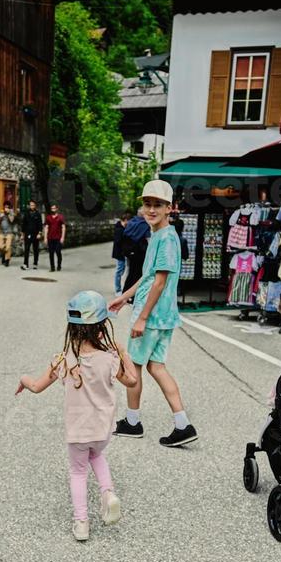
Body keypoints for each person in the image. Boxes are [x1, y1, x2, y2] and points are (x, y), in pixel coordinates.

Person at [17, 290, 139, 541]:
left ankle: (82, 522)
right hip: (103, 429)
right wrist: (123, 352)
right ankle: (107, 492)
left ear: (72, 329)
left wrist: (23, 379)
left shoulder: (64, 360)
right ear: (101, 328)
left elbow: (37, 386)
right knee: (97, 454)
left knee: (78, 471)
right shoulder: (109, 358)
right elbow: (132, 380)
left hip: (78, 431)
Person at [109, 179, 197, 447]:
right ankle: (183, 425)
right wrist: (123, 298)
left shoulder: (167, 239)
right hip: (162, 316)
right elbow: (147, 277)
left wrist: (142, 317)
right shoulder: (158, 236)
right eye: (147, 204)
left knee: (132, 367)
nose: (151, 209)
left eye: (157, 205)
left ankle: (133, 423)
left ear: (170, 208)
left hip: (153, 316)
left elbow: (159, 282)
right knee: (156, 366)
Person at [120, 211, 150, 294]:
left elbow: (125, 234)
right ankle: (133, 294)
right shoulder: (144, 224)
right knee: (138, 274)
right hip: (140, 253)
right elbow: (148, 239)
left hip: (129, 251)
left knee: (131, 272)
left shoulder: (131, 222)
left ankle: (125, 292)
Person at [111, 210, 132, 294]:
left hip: (123, 253)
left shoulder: (123, 228)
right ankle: (118, 290)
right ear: (126, 220)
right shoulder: (119, 229)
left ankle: (120, 288)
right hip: (120, 254)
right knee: (119, 271)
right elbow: (118, 241)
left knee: (122, 270)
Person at [21, 199, 44, 270]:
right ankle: (25, 264)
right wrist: (22, 234)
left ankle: (35, 263)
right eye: (31, 205)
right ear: (29, 206)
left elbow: (40, 224)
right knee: (27, 249)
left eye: (33, 205)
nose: (32, 206)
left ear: (35, 206)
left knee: (35, 249)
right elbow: (23, 224)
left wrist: (39, 233)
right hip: (28, 233)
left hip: (35, 234)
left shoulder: (38, 214)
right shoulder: (26, 213)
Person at [0, 201, 17, 266]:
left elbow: (11, 221)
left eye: (7, 207)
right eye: (5, 207)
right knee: (0, 247)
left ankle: (7, 260)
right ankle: (4, 254)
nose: (6, 208)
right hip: (1, 232)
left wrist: (9, 213)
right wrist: (1, 217)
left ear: (10, 208)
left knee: (8, 247)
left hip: (9, 233)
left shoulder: (12, 213)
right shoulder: (1, 213)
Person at [45, 203, 66, 272]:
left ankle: (59, 265)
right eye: (52, 209)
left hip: (58, 237)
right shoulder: (48, 217)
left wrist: (62, 237)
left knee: (58, 252)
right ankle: (52, 267)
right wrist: (45, 237)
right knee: (51, 253)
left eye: (54, 208)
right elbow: (46, 228)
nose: (53, 210)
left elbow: (63, 227)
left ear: (57, 209)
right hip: (50, 237)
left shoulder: (60, 217)